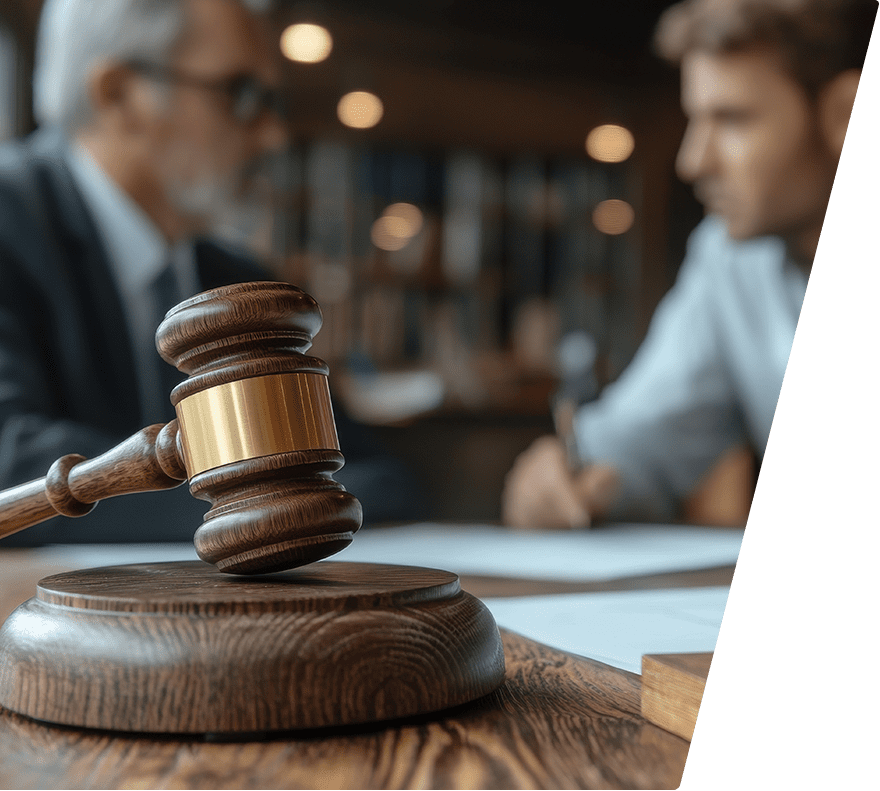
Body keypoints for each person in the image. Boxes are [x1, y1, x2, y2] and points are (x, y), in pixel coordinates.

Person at [0, 0, 419, 546]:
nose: (274, 137)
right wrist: (263, 505)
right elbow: (11, 467)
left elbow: (372, 470)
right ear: (119, 93)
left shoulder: (238, 282)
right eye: (241, 95)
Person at [502, 0, 877, 529]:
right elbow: (639, 442)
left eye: (732, 119)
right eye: (695, 119)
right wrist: (563, 476)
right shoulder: (730, 258)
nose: (692, 160)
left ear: (847, 113)